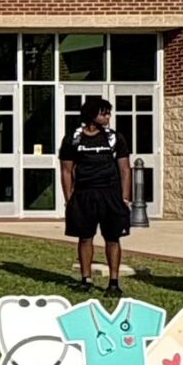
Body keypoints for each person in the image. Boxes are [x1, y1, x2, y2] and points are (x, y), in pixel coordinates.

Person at [59, 98, 131, 297]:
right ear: (91, 115)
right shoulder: (73, 139)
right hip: (84, 194)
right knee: (85, 237)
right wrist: (69, 198)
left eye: (109, 113)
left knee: (113, 238)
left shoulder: (114, 138)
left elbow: (125, 169)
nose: (108, 117)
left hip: (110, 194)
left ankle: (114, 282)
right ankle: (86, 279)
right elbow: (66, 170)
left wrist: (125, 198)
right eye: (103, 113)